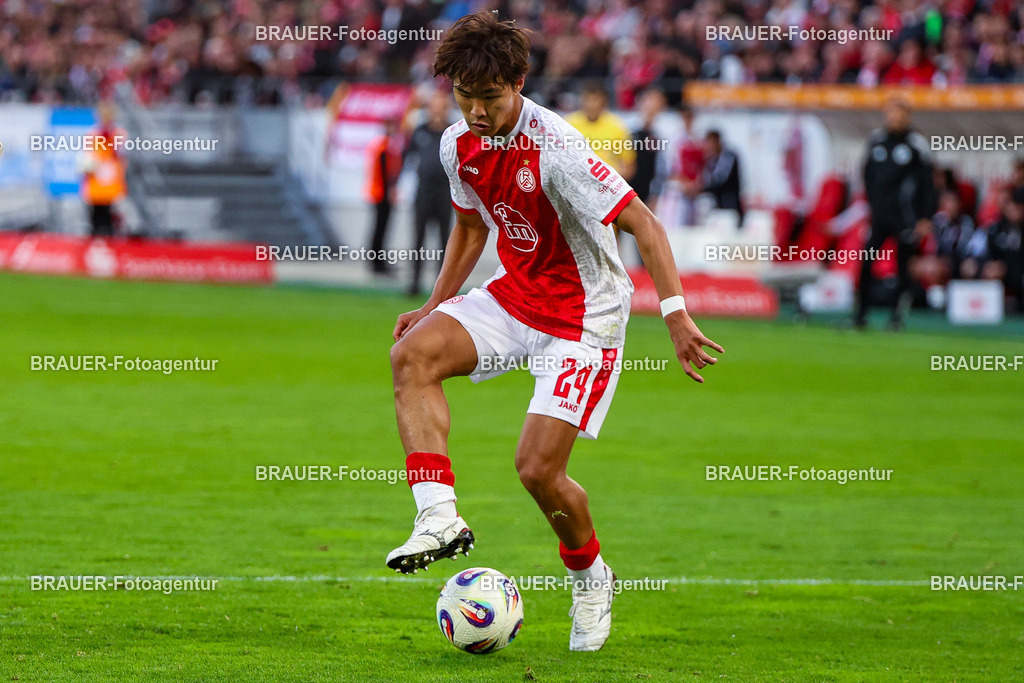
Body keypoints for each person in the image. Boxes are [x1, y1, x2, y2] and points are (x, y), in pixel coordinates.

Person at [386, 12, 722, 652]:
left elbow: (645, 225)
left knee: (538, 472)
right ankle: (438, 517)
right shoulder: (457, 142)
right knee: (412, 355)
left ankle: (592, 577)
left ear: (518, 82)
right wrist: (436, 303)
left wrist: (676, 315)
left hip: (585, 316)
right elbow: (470, 227)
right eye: (464, 95)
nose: (476, 110)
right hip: (517, 296)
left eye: (489, 97)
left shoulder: (560, 150)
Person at [855, 97, 935, 330]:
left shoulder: (916, 144)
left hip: (905, 217)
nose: (895, 118)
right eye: (891, 113)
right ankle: (861, 313)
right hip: (879, 216)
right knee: (867, 261)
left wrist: (925, 217)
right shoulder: (876, 142)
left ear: (907, 116)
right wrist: (872, 205)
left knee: (902, 267)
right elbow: (866, 176)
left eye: (900, 113)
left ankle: (896, 317)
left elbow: (927, 185)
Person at [404, 91, 454, 296]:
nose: (437, 110)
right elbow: (407, 157)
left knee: (445, 241)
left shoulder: (452, 132)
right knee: (418, 239)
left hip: (445, 192)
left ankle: (441, 288)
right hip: (423, 191)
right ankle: (414, 282)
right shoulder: (420, 131)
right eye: (433, 106)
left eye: (441, 106)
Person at [564, 81, 636, 178]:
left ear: (603, 101)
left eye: (595, 100)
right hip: (576, 182)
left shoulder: (616, 126)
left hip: (608, 184)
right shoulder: (569, 123)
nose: (591, 104)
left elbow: (628, 164)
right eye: (587, 99)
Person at [80, 102, 127, 238]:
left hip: (112, 179)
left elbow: (122, 153)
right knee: (95, 213)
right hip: (95, 179)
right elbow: (88, 155)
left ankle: (109, 236)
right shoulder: (92, 134)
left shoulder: (118, 133)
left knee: (110, 212)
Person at [365, 118, 405, 275]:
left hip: (379, 192)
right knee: (380, 228)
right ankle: (377, 262)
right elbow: (384, 171)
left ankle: (378, 260)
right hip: (381, 193)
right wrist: (390, 190)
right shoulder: (385, 146)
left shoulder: (383, 145)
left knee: (380, 228)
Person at [701, 130, 743, 221]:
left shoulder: (728, 157)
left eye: (711, 143)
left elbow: (720, 179)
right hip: (717, 206)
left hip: (730, 205)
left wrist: (701, 188)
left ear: (717, 141)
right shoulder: (711, 160)